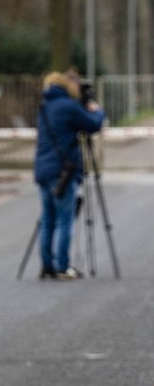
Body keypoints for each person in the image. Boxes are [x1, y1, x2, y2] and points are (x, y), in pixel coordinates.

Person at [33, 71, 105, 280]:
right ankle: (62, 266)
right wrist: (96, 110)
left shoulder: (44, 106)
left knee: (48, 219)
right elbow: (93, 125)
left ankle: (47, 265)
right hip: (62, 170)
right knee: (65, 218)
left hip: (42, 169)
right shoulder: (68, 106)